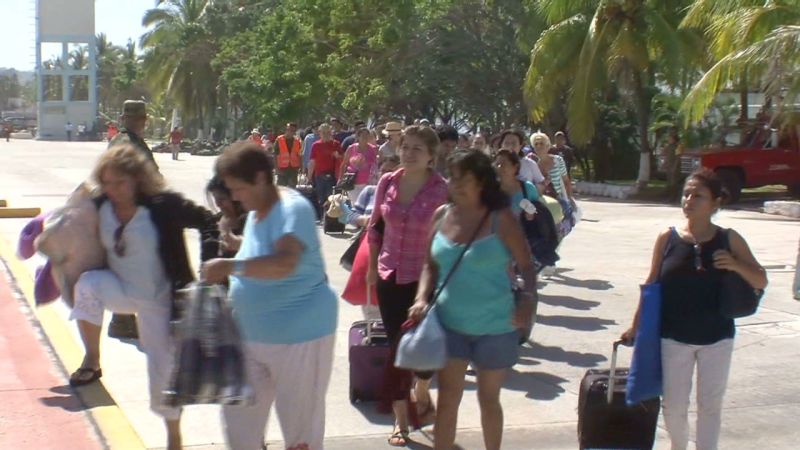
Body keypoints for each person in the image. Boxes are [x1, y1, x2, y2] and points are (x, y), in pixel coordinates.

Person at [68, 143, 220, 450]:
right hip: (120, 287)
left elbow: (207, 220)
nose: (112, 190)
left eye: (120, 183)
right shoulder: (100, 203)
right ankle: (93, 359)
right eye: (107, 183)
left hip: (160, 299)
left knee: (161, 370)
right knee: (86, 285)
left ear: (137, 179)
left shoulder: (163, 204)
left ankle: (173, 434)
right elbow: (67, 222)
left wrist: (208, 268)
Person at [203, 141, 338, 450]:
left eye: (238, 188)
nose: (234, 196)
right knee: (239, 424)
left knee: (300, 430)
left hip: (301, 337)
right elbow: (260, 252)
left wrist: (229, 265)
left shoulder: (294, 208)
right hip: (251, 336)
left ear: (262, 178)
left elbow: (285, 262)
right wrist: (232, 241)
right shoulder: (255, 214)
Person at [621, 169, 767, 450]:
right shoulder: (668, 238)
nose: (688, 200)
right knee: (674, 406)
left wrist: (736, 265)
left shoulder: (729, 239)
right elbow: (652, 284)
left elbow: (760, 279)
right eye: (686, 194)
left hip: (718, 338)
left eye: (697, 195)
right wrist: (636, 326)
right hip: (673, 337)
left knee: (710, 406)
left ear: (715, 203)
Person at [409, 149, 536, 450]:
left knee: (488, 398)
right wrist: (420, 298)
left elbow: (527, 265)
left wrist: (527, 301)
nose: (456, 184)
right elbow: (430, 264)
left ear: (482, 182)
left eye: (464, 178)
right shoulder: (441, 216)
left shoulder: (500, 219)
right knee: (449, 397)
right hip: (449, 323)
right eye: (452, 177)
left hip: (495, 326)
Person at [366, 125, 448, 446]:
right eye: (405, 147)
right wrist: (372, 269)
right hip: (390, 274)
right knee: (397, 350)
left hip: (426, 279)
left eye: (417, 149)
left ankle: (423, 387)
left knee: (424, 350)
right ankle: (401, 420)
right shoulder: (387, 182)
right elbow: (375, 228)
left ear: (431, 156)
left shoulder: (442, 189)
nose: (409, 153)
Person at [106, 99, 159, 339]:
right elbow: (149, 178)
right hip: (130, 214)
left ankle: (123, 318)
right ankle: (122, 319)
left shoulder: (118, 140)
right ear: (142, 120)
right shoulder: (132, 145)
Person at [530, 131, 576, 237]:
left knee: (558, 231)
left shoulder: (558, 160)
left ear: (547, 145)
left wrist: (569, 198)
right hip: (539, 201)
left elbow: (566, 181)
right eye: (536, 144)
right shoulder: (530, 163)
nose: (539, 146)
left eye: (541, 143)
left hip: (558, 201)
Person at [205, 176, 247, 258]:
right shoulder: (214, 222)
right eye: (215, 198)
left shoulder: (251, 222)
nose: (217, 204)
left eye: (222, 199)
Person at [308, 123, 342, 215]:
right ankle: (323, 216)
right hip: (319, 175)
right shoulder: (316, 145)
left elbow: (342, 160)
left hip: (332, 175)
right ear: (319, 133)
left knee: (331, 197)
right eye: (323, 132)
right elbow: (312, 162)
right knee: (321, 197)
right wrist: (309, 177)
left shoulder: (336, 144)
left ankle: (329, 216)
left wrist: (338, 156)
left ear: (331, 133)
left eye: (328, 132)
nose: (326, 134)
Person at [340, 127, 379, 203]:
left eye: (367, 135)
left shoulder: (373, 149)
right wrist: (340, 179)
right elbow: (344, 164)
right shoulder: (351, 148)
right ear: (358, 136)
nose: (365, 137)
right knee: (356, 205)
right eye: (363, 135)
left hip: (367, 183)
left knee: (365, 205)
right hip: (352, 182)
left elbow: (376, 166)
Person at [272, 123, 303, 188]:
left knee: (292, 191)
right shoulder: (279, 139)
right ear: (286, 130)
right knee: (281, 191)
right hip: (282, 169)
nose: (290, 132)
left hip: (293, 169)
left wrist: (301, 167)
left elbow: (299, 155)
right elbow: (275, 154)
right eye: (288, 129)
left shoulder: (297, 141)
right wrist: (276, 168)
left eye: (292, 130)